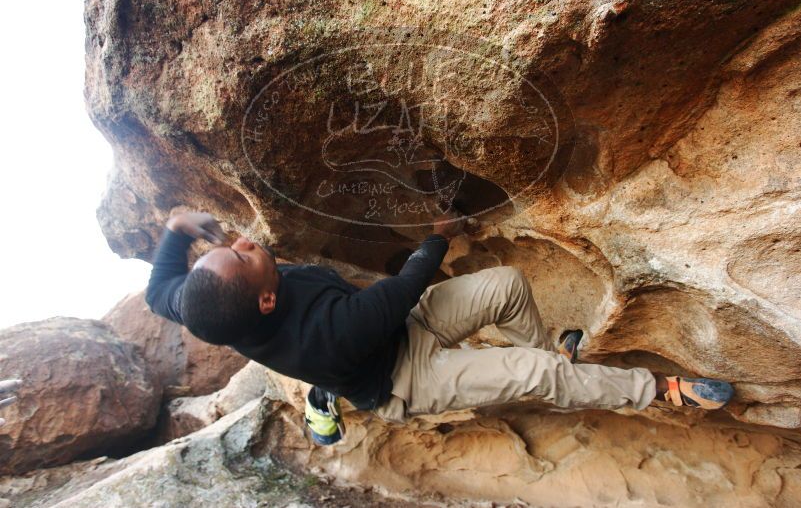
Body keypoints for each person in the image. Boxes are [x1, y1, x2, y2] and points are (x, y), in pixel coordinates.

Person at [145, 212, 733, 431]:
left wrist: (176, 230)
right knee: (536, 374)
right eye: (245, 255)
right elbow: (404, 287)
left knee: (507, 284)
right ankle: (657, 389)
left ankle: (560, 365)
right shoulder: (323, 336)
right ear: (265, 303)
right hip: (402, 378)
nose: (246, 241)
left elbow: (158, 292)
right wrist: (436, 236)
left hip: (398, 330)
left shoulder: (205, 303)